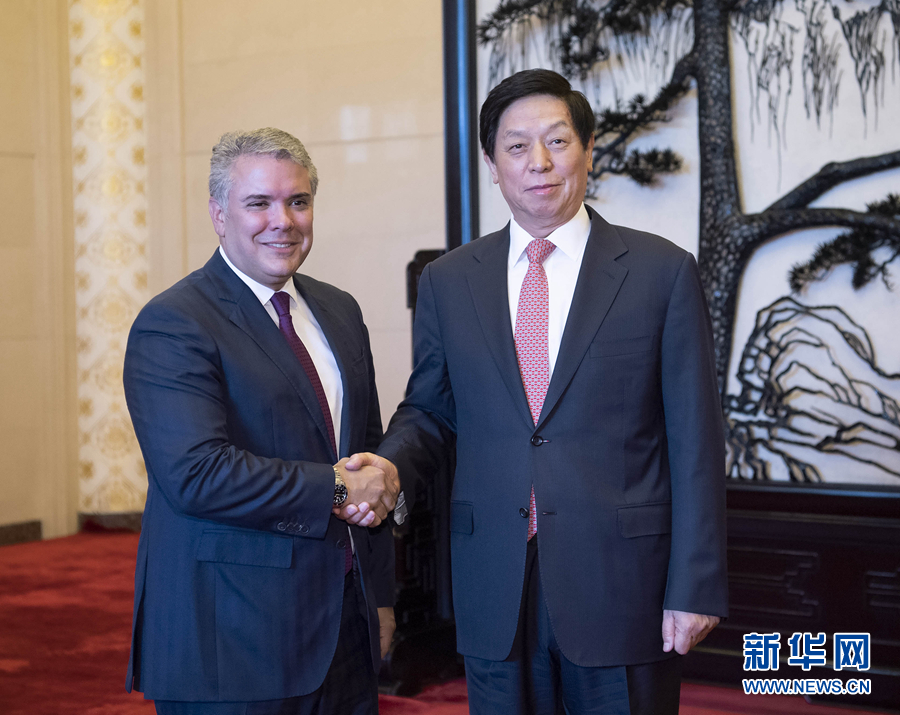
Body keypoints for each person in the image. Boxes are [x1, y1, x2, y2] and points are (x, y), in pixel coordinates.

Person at [354, 69, 729, 714]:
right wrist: (388, 466)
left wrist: (695, 585)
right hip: (494, 581)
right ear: (492, 165)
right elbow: (431, 409)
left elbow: (696, 438)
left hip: (622, 583)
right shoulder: (449, 280)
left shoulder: (660, 272)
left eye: (557, 141)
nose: (539, 162)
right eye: (517, 146)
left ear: (588, 150)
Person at [123, 127, 399, 715]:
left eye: (298, 201)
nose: (283, 221)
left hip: (343, 627)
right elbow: (196, 474)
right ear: (219, 215)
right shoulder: (175, 322)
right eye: (259, 203)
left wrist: (379, 597)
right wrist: (335, 488)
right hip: (230, 639)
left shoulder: (339, 310)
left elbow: (365, 455)